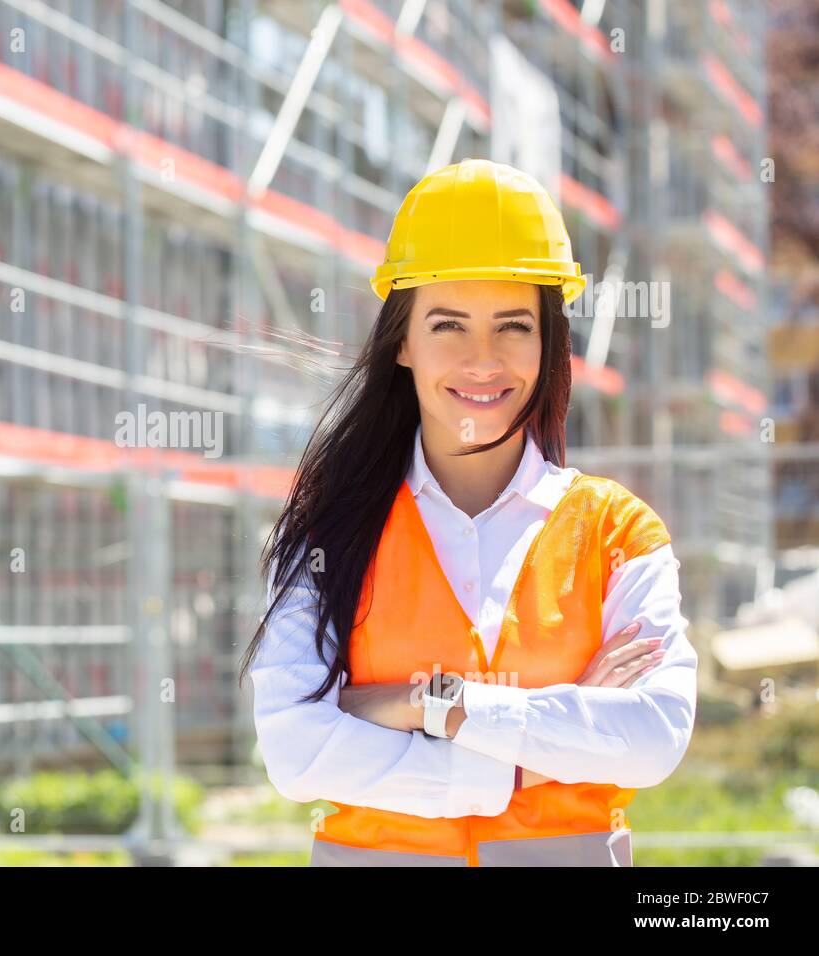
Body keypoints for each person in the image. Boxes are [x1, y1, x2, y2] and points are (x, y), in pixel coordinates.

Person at [239, 159, 697, 867]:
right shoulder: (325, 531)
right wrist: (529, 758)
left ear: (549, 344)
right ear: (401, 341)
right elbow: (297, 753)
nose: (482, 360)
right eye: (448, 324)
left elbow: (654, 736)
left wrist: (430, 704)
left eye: (513, 326)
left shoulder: (619, 533)